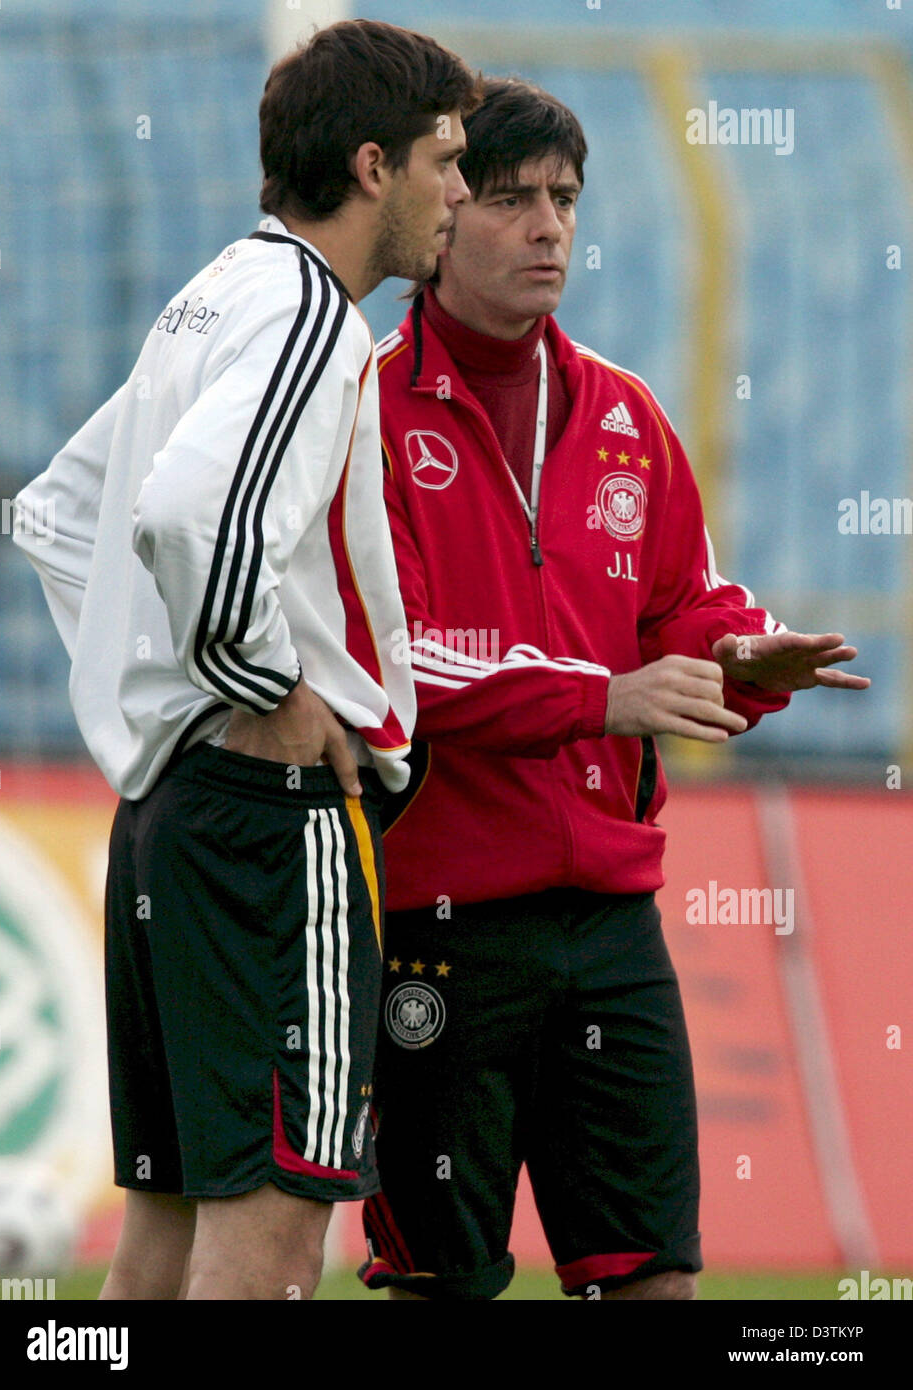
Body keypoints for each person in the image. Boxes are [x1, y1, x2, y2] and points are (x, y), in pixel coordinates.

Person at [359, 77, 870, 1302]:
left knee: (654, 1282)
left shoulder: (627, 414)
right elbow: (397, 665)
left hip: (613, 930)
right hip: (438, 930)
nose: (548, 228)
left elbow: (681, 604)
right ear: (440, 217)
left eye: (566, 200)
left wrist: (742, 658)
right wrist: (607, 697)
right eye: (510, 198)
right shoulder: (365, 412)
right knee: (446, 1286)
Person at [12, 20, 479, 1301]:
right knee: (274, 1237)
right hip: (272, 834)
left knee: (159, 1241)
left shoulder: (213, 296)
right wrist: (258, 685)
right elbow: (175, 518)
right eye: (448, 160)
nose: (464, 191)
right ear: (375, 165)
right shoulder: (314, 322)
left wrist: (161, 693)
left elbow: (61, 515)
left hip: (168, 818)